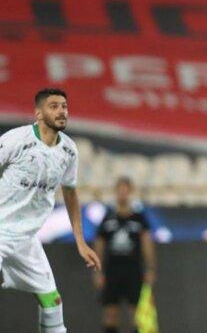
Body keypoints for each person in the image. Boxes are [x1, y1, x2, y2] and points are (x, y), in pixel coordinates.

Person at [0, 88, 100, 333]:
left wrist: (80, 241)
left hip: (27, 239)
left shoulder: (69, 151)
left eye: (64, 106)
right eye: (54, 106)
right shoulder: (15, 140)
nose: (62, 111)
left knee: (52, 303)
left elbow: (70, 193)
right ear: (38, 113)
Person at [94, 177, 156, 333]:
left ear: (130, 192)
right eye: (120, 190)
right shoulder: (108, 218)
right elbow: (99, 245)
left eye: (125, 191)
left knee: (137, 314)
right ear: (116, 192)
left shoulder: (139, 218)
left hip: (133, 270)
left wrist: (150, 269)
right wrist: (97, 272)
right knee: (110, 314)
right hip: (112, 270)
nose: (122, 194)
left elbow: (147, 244)